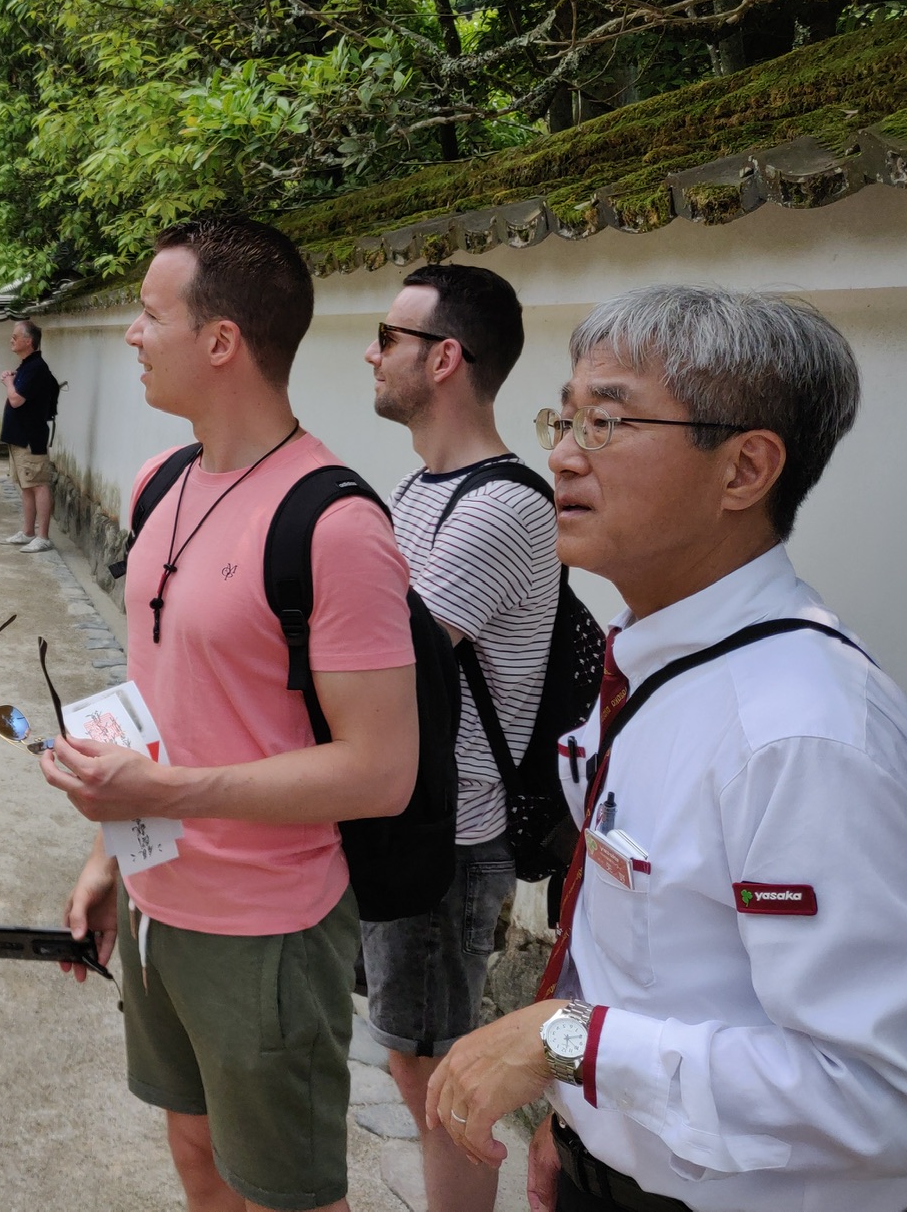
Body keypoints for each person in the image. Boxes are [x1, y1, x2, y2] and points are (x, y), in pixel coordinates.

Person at [425, 286, 907, 1212]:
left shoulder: (798, 733)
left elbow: (884, 1095)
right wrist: (581, 1125)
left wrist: (572, 1044)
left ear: (744, 469)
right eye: (564, 418)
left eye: (606, 421)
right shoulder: (656, 656)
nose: (561, 454)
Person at [43, 215, 421, 1212]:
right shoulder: (160, 482)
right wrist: (108, 857)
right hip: (156, 897)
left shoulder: (334, 524)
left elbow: (382, 770)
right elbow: (159, 705)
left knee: (286, 1193)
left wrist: (161, 791)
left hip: (269, 926)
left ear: (221, 341)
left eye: (150, 314)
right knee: (194, 1150)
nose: (132, 333)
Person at [362, 264, 559, 1212]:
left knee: (439, 1077)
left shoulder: (499, 507)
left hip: (450, 836)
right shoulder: (424, 485)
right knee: (415, 1063)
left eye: (386, 337)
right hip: (414, 821)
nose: (370, 354)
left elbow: (380, 662)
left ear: (443, 358)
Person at [0, 318, 61, 552]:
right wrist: (13, 379)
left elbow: (16, 399)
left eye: (15, 337)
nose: (11, 340)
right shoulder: (27, 366)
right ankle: (28, 532)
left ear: (28, 341)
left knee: (38, 484)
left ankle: (43, 536)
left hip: (31, 437)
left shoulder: (36, 368)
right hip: (20, 437)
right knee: (26, 486)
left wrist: (8, 382)